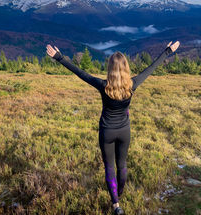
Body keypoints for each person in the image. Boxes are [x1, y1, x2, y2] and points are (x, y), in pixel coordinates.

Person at [46, 41, 180, 215]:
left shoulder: (103, 86)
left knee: (109, 166)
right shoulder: (133, 84)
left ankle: (116, 204)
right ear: (126, 68)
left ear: (110, 69)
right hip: (124, 131)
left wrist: (59, 58)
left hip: (107, 131)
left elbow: (80, 73)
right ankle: (120, 193)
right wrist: (168, 51)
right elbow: (151, 68)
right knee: (122, 164)